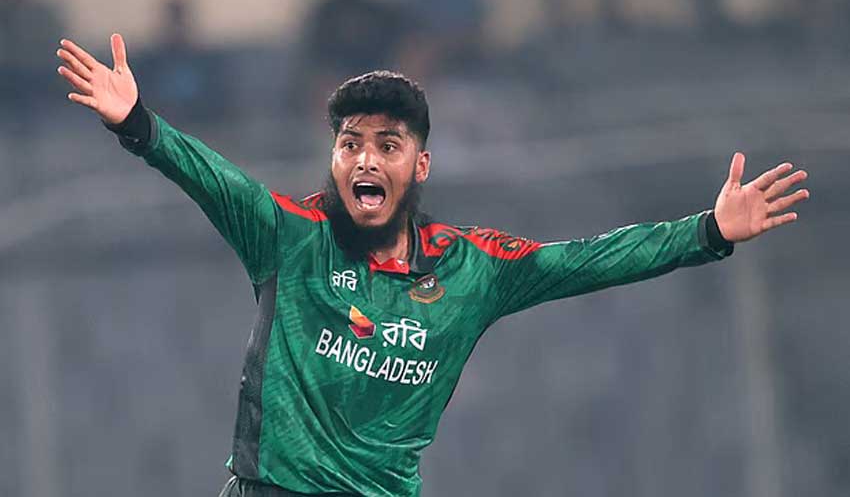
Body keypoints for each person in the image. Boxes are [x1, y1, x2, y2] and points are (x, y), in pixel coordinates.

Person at [56, 34, 809, 497]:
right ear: (333, 158)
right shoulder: (287, 235)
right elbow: (207, 176)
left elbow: (590, 260)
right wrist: (137, 124)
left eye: (387, 145)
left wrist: (708, 231)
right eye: (350, 143)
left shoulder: (473, 268)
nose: (365, 160)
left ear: (419, 166)